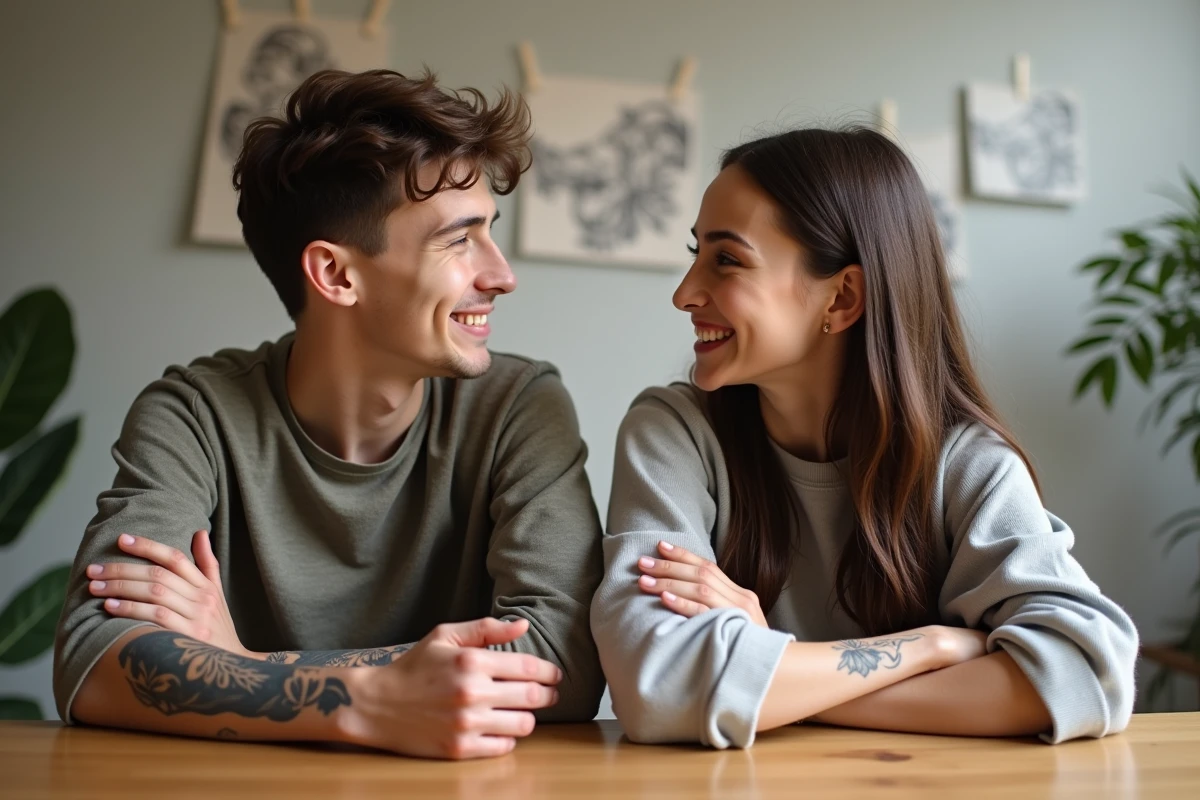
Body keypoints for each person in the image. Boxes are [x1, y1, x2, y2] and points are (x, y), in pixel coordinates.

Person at [54, 69, 605, 760]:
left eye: (489, 233)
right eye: (460, 240)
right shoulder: (195, 415)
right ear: (336, 275)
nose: (501, 275)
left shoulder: (520, 408)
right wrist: (364, 701)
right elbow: (92, 664)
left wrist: (243, 660)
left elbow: (566, 661)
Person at [591, 127, 1138, 749]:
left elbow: (1086, 674)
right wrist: (929, 647)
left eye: (726, 259)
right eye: (696, 255)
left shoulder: (969, 466)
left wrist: (774, 668)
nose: (685, 293)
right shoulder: (673, 435)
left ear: (842, 296)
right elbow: (655, 687)